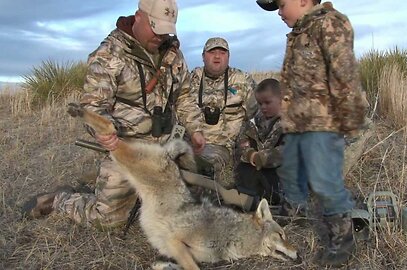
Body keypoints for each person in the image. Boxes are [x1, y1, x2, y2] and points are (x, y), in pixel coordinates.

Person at [22, 0, 206, 229]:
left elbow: (184, 95)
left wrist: (196, 129)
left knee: (192, 196)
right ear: (138, 17)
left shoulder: (173, 55)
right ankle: (59, 200)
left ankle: (134, 190)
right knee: (109, 221)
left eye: (165, 30)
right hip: (127, 148)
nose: (160, 36)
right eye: (155, 28)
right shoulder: (110, 53)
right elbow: (93, 106)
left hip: (166, 145)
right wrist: (103, 130)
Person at [256, 0, 366, 267]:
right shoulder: (299, 32)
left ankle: (342, 240)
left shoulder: (329, 24)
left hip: (322, 124)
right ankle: (293, 212)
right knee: (291, 171)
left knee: (325, 182)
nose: (279, 13)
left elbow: (345, 75)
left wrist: (350, 122)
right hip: (298, 123)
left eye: (281, 5)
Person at [190, 37, 257, 187]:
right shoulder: (193, 78)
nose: (217, 56)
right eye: (212, 52)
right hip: (195, 144)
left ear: (228, 57)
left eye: (222, 52)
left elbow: (259, 113)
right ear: (203, 56)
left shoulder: (242, 80)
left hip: (225, 148)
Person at [234, 78, 283, 205]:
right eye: (260, 103)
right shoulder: (252, 123)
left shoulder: (292, 125)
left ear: (282, 100)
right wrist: (250, 154)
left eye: (267, 102)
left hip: (280, 176)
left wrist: (262, 158)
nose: (263, 107)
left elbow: (288, 152)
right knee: (244, 169)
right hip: (255, 172)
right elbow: (240, 144)